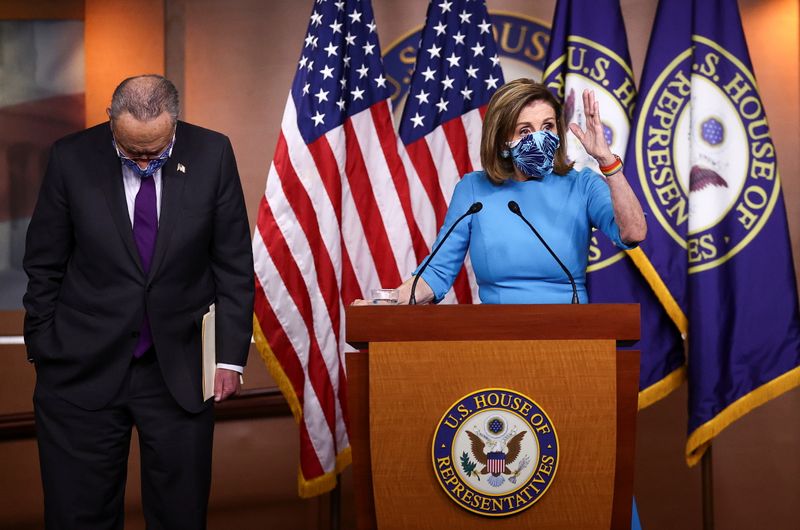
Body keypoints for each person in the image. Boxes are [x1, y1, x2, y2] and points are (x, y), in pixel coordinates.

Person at [22, 74, 254, 529]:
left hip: (179, 371)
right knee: (77, 516)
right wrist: (45, 346)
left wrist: (228, 358)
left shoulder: (212, 154)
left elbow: (233, 264)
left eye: (156, 150)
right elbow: (43, 262)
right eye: (132, 151)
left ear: (175, 123)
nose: (145, 161)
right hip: (79, 368)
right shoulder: (72, 157)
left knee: (180, 517)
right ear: (111, 121)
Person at [388, 78, 646, 305]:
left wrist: (607, 162)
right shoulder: (473, 191)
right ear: (502, 142)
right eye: (525, 131)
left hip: (570, 337)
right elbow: (436, 273)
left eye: (547, 127)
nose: (539, 138)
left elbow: (634, 232)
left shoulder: (583, 185)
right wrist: (385, 302)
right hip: (497, 338)